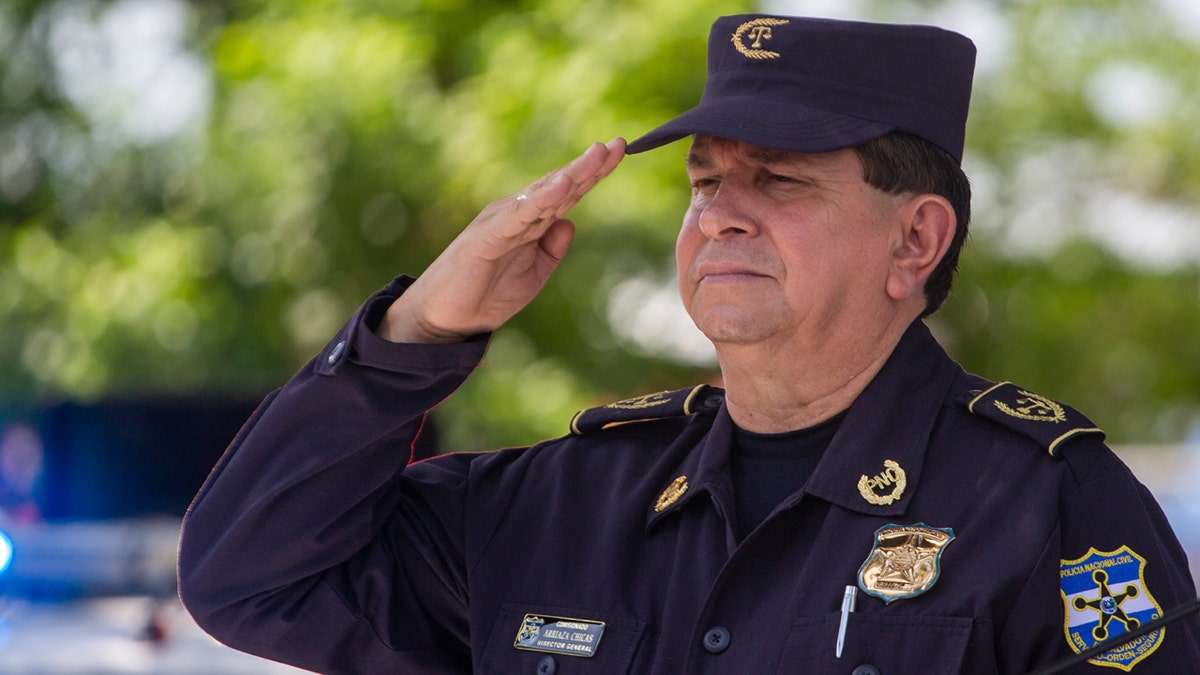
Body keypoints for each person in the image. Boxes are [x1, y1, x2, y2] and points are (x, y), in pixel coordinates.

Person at [178, 14, 1200, 674]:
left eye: (782, 180)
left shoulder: (1051, 505)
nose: (720, 216)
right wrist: (415, 334)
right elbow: (250, 581)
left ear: (916, 239)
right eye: (706, 182)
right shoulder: (566, 503)